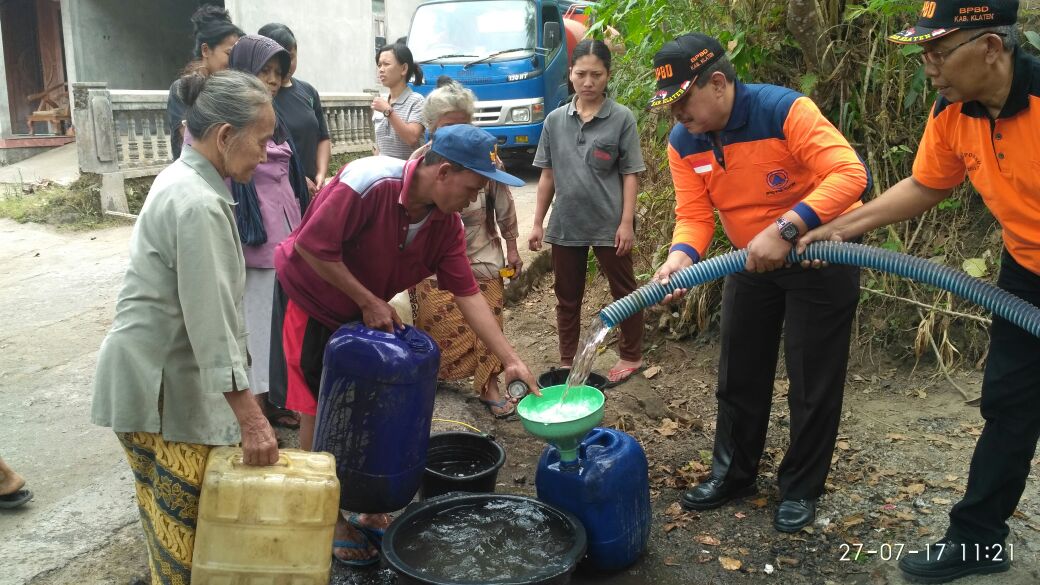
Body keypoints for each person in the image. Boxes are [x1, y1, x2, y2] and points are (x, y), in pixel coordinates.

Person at [799, 1, 1032, 581]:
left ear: (992, 48)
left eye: (938, 52)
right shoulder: (953, 111)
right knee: (1009, 404)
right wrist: (838, 228)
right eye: (922, 53)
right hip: (1026, 273)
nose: (928, 67)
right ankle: (978, 540)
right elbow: (927, 184)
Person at [274, 123, 539, 566]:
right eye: (473, 188)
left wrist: (510, 359)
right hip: (313, 300)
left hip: (363, 310)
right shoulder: (368, 182)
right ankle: (326, 517)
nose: (474, 200)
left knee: (371, 407)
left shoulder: (445, 225)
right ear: (444, 173)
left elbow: (468, 294)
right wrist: (367, 299)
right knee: (319, 410)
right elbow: (311, 248)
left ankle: (368, 505)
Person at [649, 33, 870, 533]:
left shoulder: (784, 111)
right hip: (750, 262)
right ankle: (733, 474)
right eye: (669, 105)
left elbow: (849, 173)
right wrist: (680, 257)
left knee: (813, 379)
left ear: (720, 83)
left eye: (683, 102)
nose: (676, 115)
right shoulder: (684, 141)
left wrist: (788, 228)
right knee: (739, 372)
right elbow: (694, 216)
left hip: (820, 256)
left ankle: (800, 488)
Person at [92, 70, 280, 584]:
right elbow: (212, 322)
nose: (265, 154)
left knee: (168, 524)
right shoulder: (198, 203)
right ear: (224, 136)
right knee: (189, 540)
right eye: (261, 141)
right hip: (160, 395)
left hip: (155, 381)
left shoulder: (185, 181)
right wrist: (253, 419)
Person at [528, 39, 646, 386]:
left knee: (625, 291)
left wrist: (626, 222)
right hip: (567, 222)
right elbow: (547, 175)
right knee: (567, 297)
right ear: (570, 74)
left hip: (610, 224)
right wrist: (537, 222)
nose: (588, 81)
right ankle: (568, 360)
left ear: (608, 76)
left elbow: (629, 174)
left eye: (596, 74)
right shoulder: (554, 121)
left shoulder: (621, 118)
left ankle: (631, 355)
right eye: (581, 74)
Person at [411, 79, 524, 418]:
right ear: (432, 128)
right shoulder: (421, 164)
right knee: (434, 322)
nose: (459, 133)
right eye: (449, 127)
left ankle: (489, 384)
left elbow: (503, 204)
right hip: (434, 259)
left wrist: (513, 247)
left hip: (480, 251)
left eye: (464, 124)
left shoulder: (487, 161)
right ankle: (431, 380)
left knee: (488, 314)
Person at [224, 35, 310, 431]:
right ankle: (254, 413)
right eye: (264, 71)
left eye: (278, 72)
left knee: (283, 324)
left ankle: (276, 400)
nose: (272, 80)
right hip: (255, 241)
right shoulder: (229, 127)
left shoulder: (273, 120)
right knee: (256, 328)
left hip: (287, 236)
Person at [258, 23, 332, 195]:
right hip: (278, 190)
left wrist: (321, 174)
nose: (287, 65)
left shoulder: (308, 92)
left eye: (291, 57)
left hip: (313, 189)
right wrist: (297, 178)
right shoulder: (260, 98)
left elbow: (323, 137)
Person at [167, 5, 244, 159]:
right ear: (206, 50)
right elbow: (190, 143)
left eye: (239, 54)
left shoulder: (235, 89)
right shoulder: (182, 89)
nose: (235, 61)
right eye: (229, 53)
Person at [372, 42, 426, 159]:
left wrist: (388, 111)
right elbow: (379, 147)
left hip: (408, 174)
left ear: (404, 68)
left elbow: (411, 139)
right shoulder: (380, 103)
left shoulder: (417, 101)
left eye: (386, 64)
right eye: (379, 65)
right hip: (384, 173)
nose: (381, 69)